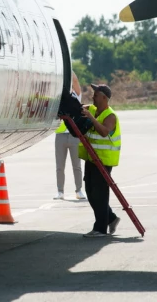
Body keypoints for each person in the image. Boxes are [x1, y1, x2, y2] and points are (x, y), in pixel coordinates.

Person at [78, 83, 122, 238]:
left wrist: (90, 118)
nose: (93, 97)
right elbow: (82, 107)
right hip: (92, 158)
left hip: (103, 160)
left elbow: (104, 132)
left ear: (104, 98)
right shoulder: (94, 110)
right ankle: (110, 218)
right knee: (90, 191)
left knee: (100, 194)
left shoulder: (110, 116)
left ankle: (100, 228)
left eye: (95, 95)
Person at [54, 72, 86, 200]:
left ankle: (79, 190)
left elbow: (76, 82)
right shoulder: (58, 98)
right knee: (60, 166)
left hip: (74, 135)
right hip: (60, 135)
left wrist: (67, 69)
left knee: (76, 165)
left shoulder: (75, 97)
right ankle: (60, 191)